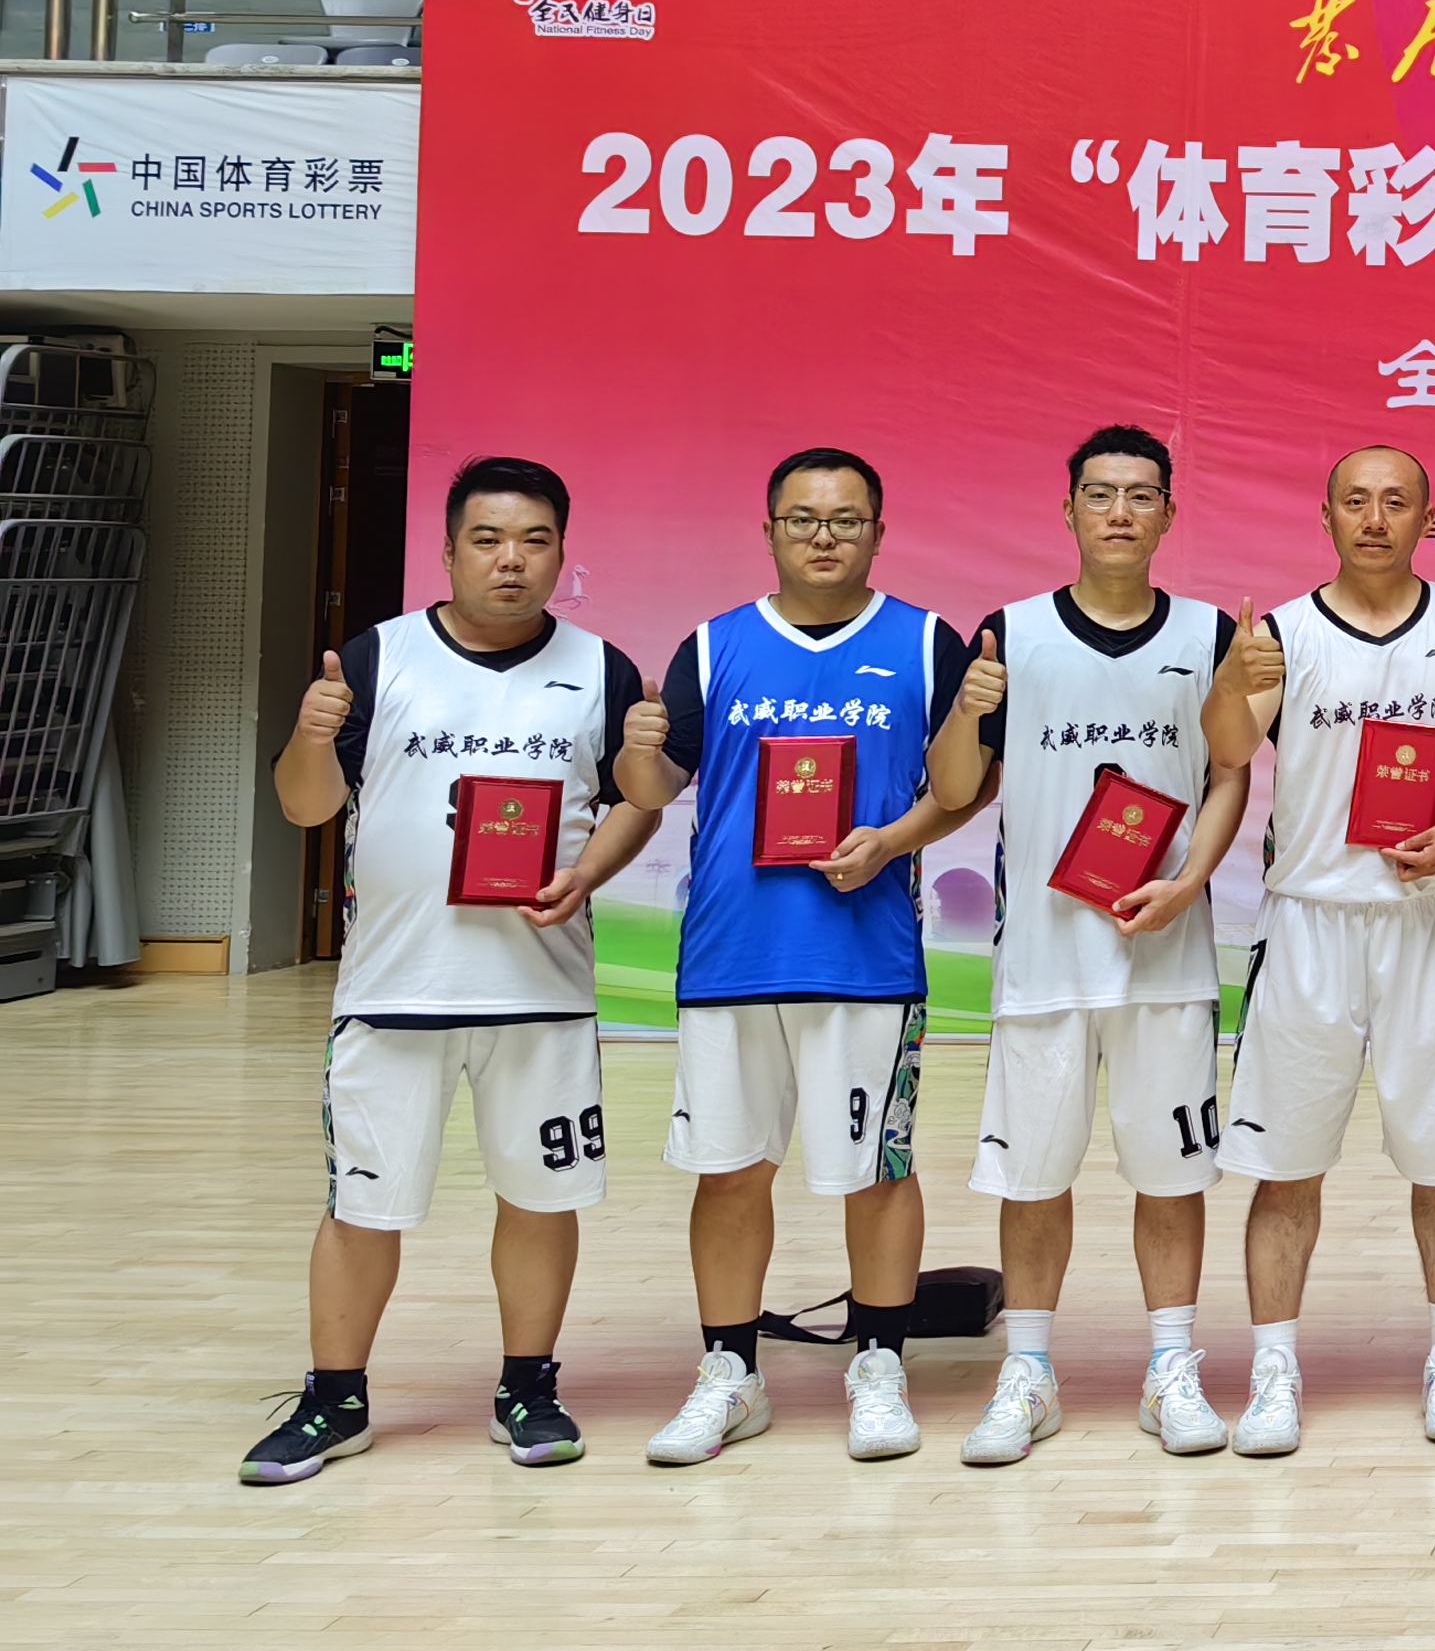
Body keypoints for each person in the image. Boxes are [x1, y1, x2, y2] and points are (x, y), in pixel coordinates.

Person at [243, 456, 657, 1483]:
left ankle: (528, 1387)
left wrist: (587, 873)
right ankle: (335, 1399)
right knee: (362, 1205)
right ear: (448, 550)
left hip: (540, 994)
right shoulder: (376, 658)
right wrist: (311, 737)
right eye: (488, 540)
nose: (511, 561)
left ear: (562, 554)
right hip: (393, 992)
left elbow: (637, 802)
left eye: (534, 541)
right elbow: (304, 806)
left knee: (541, 1198)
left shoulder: (602, 669)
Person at [621, 447, 983, 1465]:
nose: (824, 536)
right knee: (730, 1172)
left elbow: (964, 787)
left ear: (879, 531)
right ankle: (730, 1374)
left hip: (866, 959)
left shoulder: (926, 643)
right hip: (731, 957)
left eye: (846, 519)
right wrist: (640, 746)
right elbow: (653, 789)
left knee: (877, 1171)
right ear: (770, 529)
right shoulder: (711, 646)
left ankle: (880, 1365)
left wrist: (892, 843)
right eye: (803, 519)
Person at [1198, 443, 1435, 1452]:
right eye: (1356, 501)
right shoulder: (1284, 634)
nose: (1376, 519)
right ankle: (1273, 1372)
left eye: (1396, 502)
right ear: (1327, 516)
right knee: (1284, 1169)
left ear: (1428, 517)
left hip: (1433, 926)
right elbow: (1226, 749)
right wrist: (1232, 682)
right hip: (1309, 924)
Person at [923, 427, 1251, 1467]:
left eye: (1140, 495)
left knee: (1172, 1173)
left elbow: (1232, 773)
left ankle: (1171, 1367)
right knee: (1033, 1177)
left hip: (1165, 956)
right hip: (1044, 959)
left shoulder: (1209, 634)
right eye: (1099, 494)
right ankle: (1028, 1371)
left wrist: (1189, 882)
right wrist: (966, 713)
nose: (1119, 511)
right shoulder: (1007, 635)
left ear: (1168, 514)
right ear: (1066, 509)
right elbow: (955, 788)